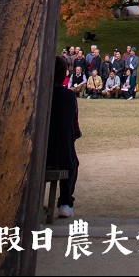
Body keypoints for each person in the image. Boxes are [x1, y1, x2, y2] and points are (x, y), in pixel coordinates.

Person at [46, 56, 81, 218]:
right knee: (72, 162)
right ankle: (65, 202)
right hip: (62, 154)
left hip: (41, 153)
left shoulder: (39, 95)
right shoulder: (69, 97)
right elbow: (75, 130)